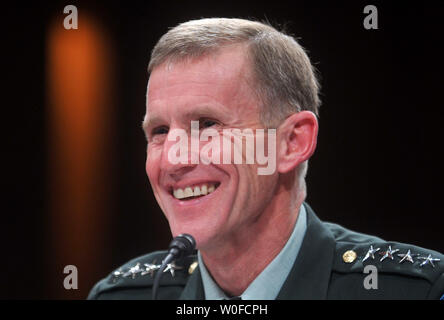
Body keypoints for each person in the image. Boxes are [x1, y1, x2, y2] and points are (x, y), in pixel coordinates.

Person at [88, 18, 444, 300]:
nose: (173, 160)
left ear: (292, 142)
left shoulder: (418, 290)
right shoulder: (122, 294)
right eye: (160, 131)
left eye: (208, 125)